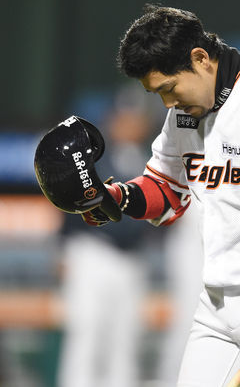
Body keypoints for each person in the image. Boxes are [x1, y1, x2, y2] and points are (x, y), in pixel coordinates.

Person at [82, 5, 240, 387]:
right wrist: (115, 197)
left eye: (168, 89)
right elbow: (166, 190)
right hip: (216, 302)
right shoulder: (184, 110)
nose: (167, 103)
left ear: (200, 58)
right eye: (157, 94)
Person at [57, 100, 158, 387]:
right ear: (113, 121)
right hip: (93, 252)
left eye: (136, 119)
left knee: (126, 338)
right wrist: (63, 249)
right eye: (125, 118)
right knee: (86, 331)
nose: (131, 125)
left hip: (132, 259)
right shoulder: (93, 160)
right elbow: (68, 206)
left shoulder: (152, 162)